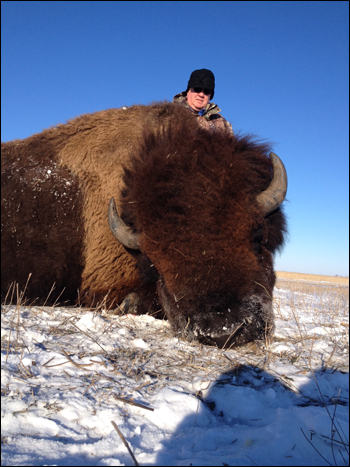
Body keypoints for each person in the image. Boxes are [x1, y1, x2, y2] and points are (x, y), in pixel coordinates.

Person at [173, 68, 233, 134]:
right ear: (188, 92)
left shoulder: (224, 124)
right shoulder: (171, 116)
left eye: (206, 91)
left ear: (210, 96)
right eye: (197, 89)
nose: (201, 94)